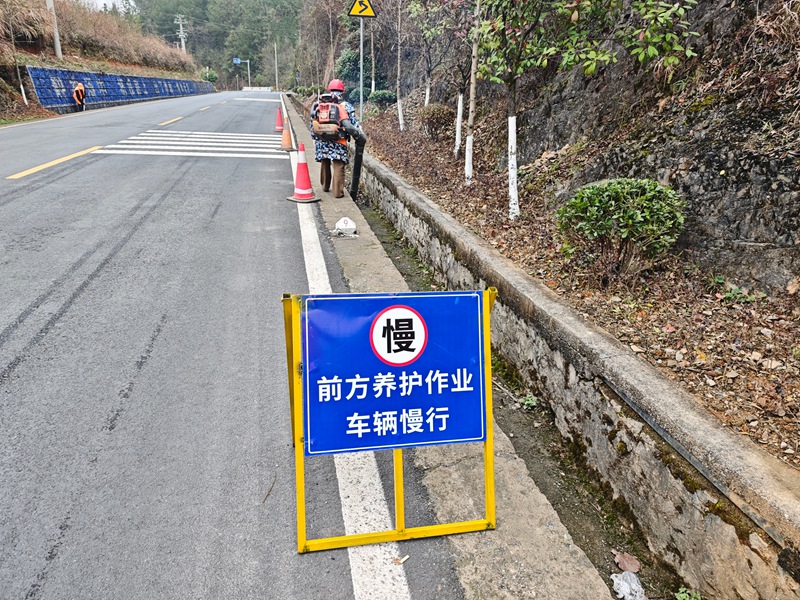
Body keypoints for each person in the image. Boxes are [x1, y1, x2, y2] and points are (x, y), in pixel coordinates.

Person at [309, 79, 365, 198]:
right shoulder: (345, 106)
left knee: (325, 161)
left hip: (322, 139)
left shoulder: (320, 104)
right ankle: (338, 193)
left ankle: (325, 186)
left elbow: (312, 123)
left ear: (329, 90)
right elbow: (352, 124)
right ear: (342, 91)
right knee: (338, 164)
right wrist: (359, 134)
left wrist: (315, 137)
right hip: (338, 140)